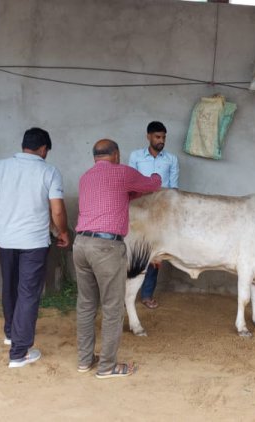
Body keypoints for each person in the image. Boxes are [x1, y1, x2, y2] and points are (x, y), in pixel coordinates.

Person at [0, 127, 70, 368]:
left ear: (23, 145)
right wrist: (63, 232)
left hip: (6, 240)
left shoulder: (0, 167)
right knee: (28, 292)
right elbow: (57, 209)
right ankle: (19, 352)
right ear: (44, 149)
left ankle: (10, 334)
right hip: (34, 243)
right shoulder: (49, 171)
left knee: (11, 287)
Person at [74, 139, 162, 379]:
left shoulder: (85, 177)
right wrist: (156, 174)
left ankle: (84, 361)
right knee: (113, 308)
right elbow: (152, 185)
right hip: (106, 247)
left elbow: (119, 195)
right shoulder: (121, 172)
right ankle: (107, 367)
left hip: (81, 244)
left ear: (95, 157)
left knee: (86, 305)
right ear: (116, 154)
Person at [128, 121, 179, 310]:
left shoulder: (171, 159)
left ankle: (147, 294)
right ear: (148, 136)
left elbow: (173, 189)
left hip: (160, 213)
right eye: (157, 137)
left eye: (164, 137)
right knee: (133, 252)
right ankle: (127, 295)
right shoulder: (136, 156)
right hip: (138, 211)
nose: (161, 141)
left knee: (154, 254)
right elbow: (131, 183)